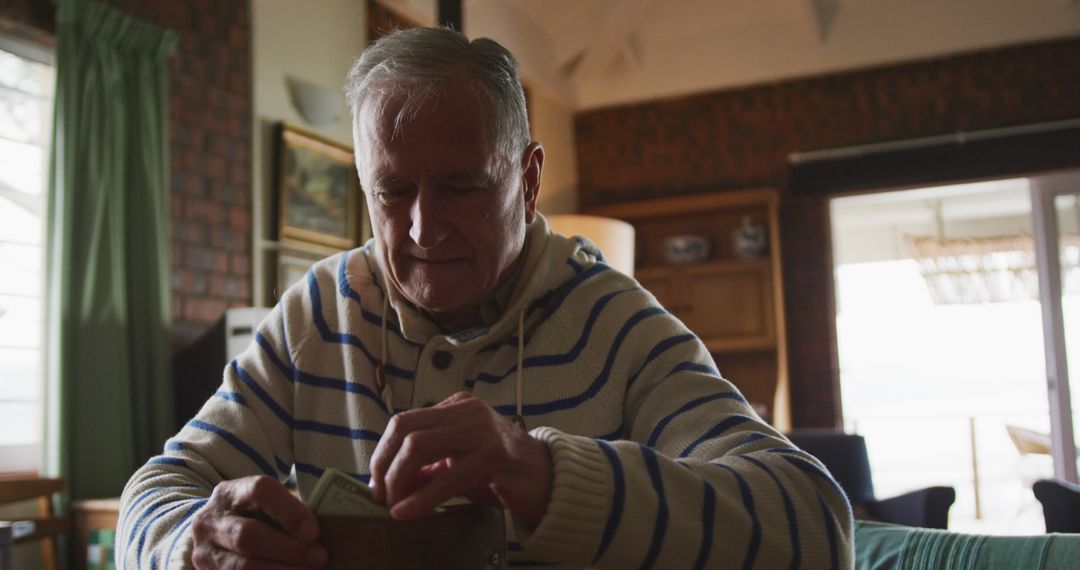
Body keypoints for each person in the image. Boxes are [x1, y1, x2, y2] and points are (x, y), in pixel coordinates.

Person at [118, 27, 853, 569]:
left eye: (462, 186)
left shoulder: (616, 323)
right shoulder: (319, 310)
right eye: (393, 190)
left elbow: (818, 528)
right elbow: (157, 488)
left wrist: (545, 475)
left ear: (529, 180)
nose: (422, 227)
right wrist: (192, 542)